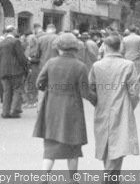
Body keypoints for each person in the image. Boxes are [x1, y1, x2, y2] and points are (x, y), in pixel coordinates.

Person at [33, 33, 94, 176]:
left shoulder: (50, 63)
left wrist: (48, 89)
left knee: (50, 145)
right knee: (73, 146)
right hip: (72, 109)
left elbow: (39, 83)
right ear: (75, 48)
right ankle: (73, 178)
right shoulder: (80, 66)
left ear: (58, 48)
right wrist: (97, 101)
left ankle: (44, 176)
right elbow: (85, 92)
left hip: (51, 107)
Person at [89, 35, 140, 182]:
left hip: (102, 108)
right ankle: (109, 178)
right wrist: (130, 106)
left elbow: (90, 89)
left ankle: (111, 177)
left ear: (104, 47)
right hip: (122, 107)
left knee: (106, 145)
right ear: (120, 47)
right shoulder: (128, 65)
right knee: (119, 144)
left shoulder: (96, 66)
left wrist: (98, 102)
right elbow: (134, 92)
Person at [0, 26, 29, 118]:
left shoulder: (1, 43)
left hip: (3, 71)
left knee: (6, 92)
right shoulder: (16, 42)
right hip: (16, 71)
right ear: (13, 31)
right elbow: (21, 57)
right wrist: (26, 67)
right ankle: (14, 111)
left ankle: (5, 112)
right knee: (17, 90)